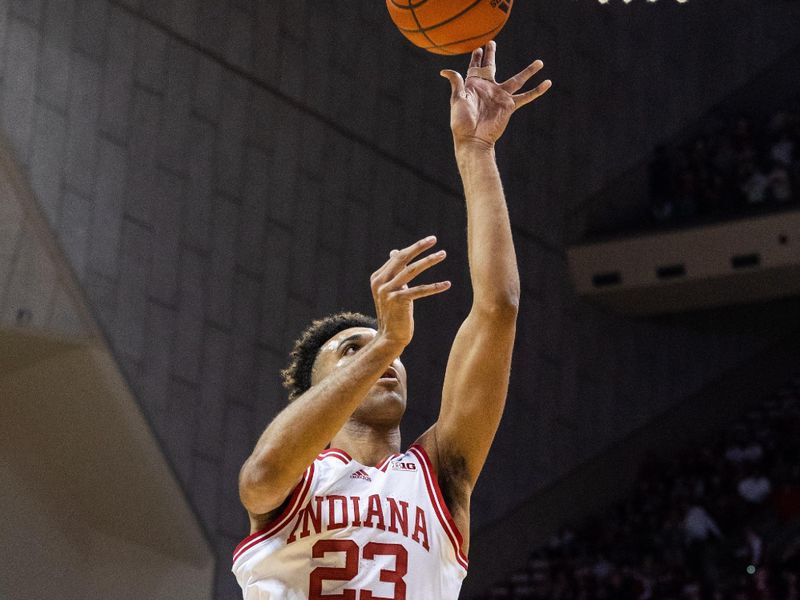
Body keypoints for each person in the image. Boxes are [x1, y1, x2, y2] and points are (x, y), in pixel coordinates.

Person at [232, 41, 551, 599]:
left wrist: (476, 152)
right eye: (350, 351)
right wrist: (384, 342)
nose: (385, 358)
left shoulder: (439, 476)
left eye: (389, 353)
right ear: (316, 391)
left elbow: (499, 310)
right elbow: (259, 478)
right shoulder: (298, 478)